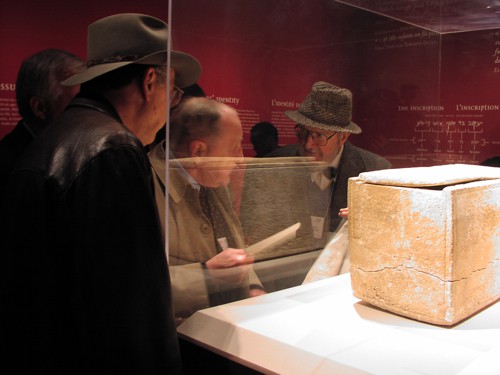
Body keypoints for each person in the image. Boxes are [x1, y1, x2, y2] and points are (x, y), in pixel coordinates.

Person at [0, 13, 201, 374]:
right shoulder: (112, 148)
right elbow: (130, 314)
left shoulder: (59, 133)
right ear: (150, 81)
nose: (170, 107)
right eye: (172, 90)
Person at [149, 97, 265, 323]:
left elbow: (232, 248)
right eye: (233, 148)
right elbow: (131, 285)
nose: (240, 159)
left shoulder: (213, 180)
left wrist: (253, 288)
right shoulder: (142, 185)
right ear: (199, 151)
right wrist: (205, 274)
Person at [264, 81, 391, 232]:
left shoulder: (375, 171)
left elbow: (386, 230)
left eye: (319, 135)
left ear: (343, 137)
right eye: (303, 132)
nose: (308, 145)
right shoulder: (273, 165)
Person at [0, 49, 85, 197]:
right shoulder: (10, 167)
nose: (89, 112)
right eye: (78, 101)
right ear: (39, 108)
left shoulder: (67, 150)